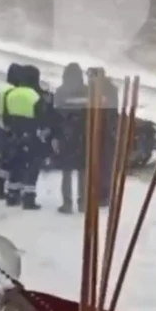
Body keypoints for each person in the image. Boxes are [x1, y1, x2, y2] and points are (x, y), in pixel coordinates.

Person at [2, 65, 50, 210]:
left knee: (16, 165)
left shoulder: (10, 93)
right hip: (31, 135)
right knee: (32, 167)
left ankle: (12, 195)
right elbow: (43, 117)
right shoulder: (35, 96)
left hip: (14, 135)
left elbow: (5, 117)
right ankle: (28, 199)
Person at [53, 63, 87, 214]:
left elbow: (56, 116)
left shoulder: (61, 92)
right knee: (83, 172)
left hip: (66, 136)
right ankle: (83, 203)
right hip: (83, 136)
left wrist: (56, 136)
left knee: (66, 172)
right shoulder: (87, 91)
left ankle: (67, 203)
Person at [86, 67, 119, 209]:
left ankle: (104, 195)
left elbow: (110, 112)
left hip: (104, 132)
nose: (88, 79)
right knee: (97, 164)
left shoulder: (107, 90)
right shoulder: (94, 89)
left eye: (90, 76)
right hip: (98, 130)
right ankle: (97, 193)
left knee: (104, 164)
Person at [0, 63, 22, 199]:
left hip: (1, 126)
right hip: (10, 128)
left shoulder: (3, 90)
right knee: (11, 160)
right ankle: (6, 188)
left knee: (5, 159)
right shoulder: (13, 91)